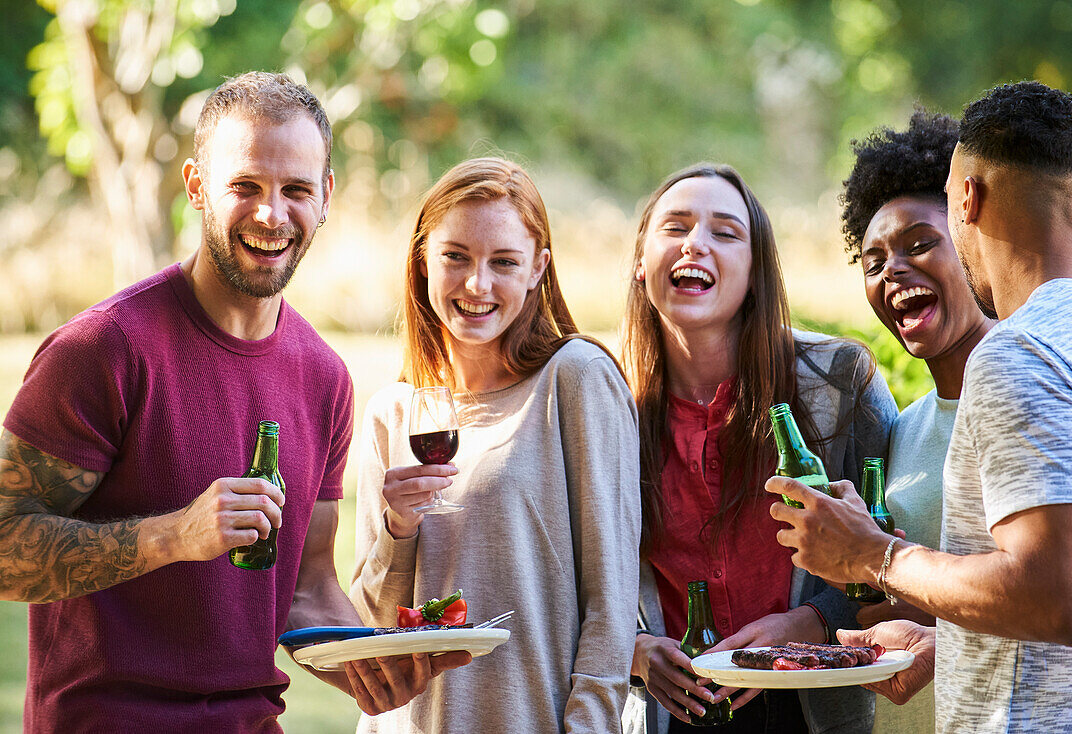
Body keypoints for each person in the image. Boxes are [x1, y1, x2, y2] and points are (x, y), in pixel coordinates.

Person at [0, 71, 466, 732]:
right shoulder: (104, 350)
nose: (272, 213)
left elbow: (305, 588)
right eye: (245, 185)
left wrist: (370, 667)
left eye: (296, 189)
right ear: (196, 186)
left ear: (326, 196)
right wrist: (175, 535)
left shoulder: (325, 377)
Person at [767, 80, 1072, 732]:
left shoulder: (1016, 354)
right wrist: (949, 641)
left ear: (966, 201)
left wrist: (875, 556)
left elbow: (1060, 598)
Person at [349, 157, 641, 733]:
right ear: (423, 259)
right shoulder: (394, 413)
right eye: (455, 256)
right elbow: (373, 634)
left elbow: (611, 608)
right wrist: (398, 529)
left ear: (538, 269)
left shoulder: (575, 380)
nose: (476, 284)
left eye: (503, 262)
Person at [620, 163, 897, 734]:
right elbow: (569, 582)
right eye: (675, 227)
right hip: (674, 716)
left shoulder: (839, 382)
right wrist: (637, 651)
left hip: (814, 709)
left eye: (725, 232)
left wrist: (813, 620)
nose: (695, 243)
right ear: (639, 262)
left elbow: (902, 547)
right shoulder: (607, 409)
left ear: (755, 270)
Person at [838, 109, 995, 733]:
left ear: (972, 235)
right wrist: (850, 563)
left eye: (919, 244)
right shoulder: (904, 427)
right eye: (873, 261)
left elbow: (1058, 596)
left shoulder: (1043, 395)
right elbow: (912, 601)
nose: (892, 271)